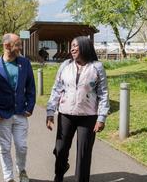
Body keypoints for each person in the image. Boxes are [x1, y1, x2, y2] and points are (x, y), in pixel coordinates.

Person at [46, 36, 110, 182]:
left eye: (76, 46)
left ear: (85, 47)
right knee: (60, 149)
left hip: (88, 116)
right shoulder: (65, 65)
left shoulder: (97, 67)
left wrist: (101, 117)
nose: (72, 49)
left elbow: (103, 93)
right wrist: (50, 112)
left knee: (84, 153)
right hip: (66, 114)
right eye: (72, 46)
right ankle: (60, 173)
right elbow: (56, 89)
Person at [0, 33, 36, 182]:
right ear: (7, 46)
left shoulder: (25, 63)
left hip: (21, 112)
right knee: (5, 148)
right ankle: (8, 177)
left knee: (22, 146)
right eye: (18, 44)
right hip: (3, 114)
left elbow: (31, 87)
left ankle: (21, 170)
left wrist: (30, 106)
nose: (20, 47)